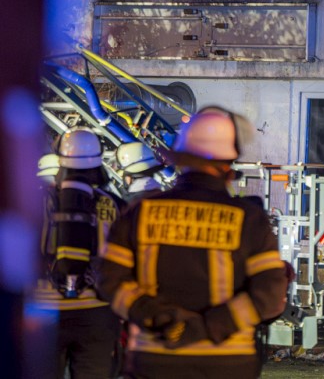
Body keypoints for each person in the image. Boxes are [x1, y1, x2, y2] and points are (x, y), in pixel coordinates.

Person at [97, 107, 288, 379]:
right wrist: (207, 327)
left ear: (181, 159)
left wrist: (162, 321)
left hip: (156, 360)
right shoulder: (250, 220)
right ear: (228, 165)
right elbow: (269, 296)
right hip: (228, 364)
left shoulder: (140, 212)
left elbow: (110, 280)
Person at [33, 127, 123, 379]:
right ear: (98, 162)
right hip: (97, 311)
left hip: (44, 311)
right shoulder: (113, 204)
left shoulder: (39, 201)